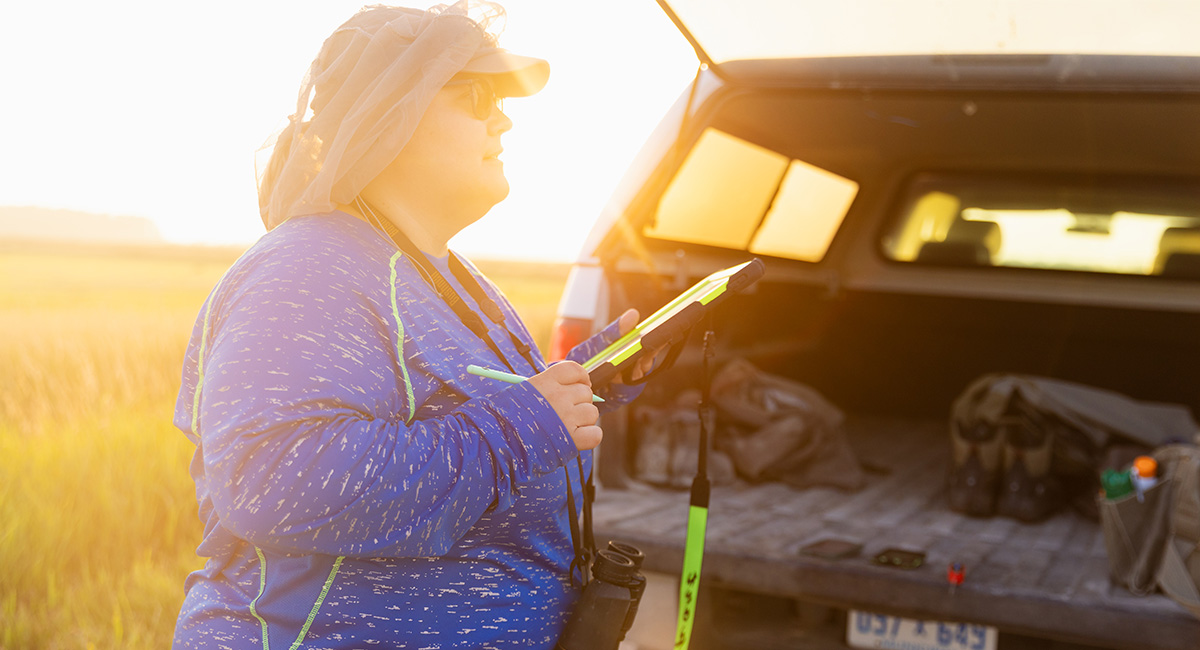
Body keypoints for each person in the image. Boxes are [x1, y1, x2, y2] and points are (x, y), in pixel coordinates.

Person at [172, 2, 656, 648]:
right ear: (388, 112)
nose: (505, 119)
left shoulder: (450, 277)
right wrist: (520, 431)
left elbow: (487, 409)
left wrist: (587, 378)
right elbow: (271, 475)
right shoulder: (309, 269)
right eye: (478, 95)